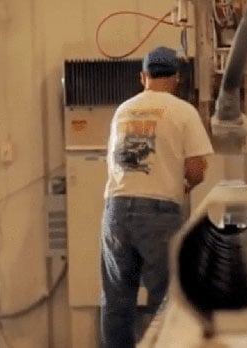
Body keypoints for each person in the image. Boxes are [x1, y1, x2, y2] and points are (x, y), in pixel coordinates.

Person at [100, 46, 214, 348]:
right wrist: (188, 181)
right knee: (165, 300)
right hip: (159, 212)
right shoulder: (183, 111)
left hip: (116, 209)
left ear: (143, 77)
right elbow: (196, 170)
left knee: (117, 299)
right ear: (176, 78)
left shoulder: (122, 110)